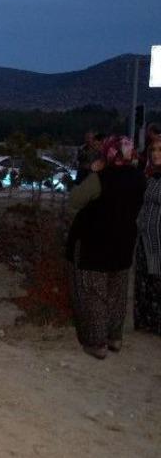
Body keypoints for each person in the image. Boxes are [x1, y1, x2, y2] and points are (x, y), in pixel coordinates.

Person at [66, 136, 146, 359]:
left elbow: (74, 199)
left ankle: (96, 342)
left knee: (94, 293)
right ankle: (114, 338)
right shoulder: (139, 178)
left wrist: (92, 171)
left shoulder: (101, 179)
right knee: (117, 293)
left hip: (95, 244)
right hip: (123, 244)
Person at [135, 137, 161, 335]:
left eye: (159, 150)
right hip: (146, 238)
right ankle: (146, 321)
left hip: (158, 241)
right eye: (153, 149)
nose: (155, 153)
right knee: (146, 280)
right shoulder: (152, 176)